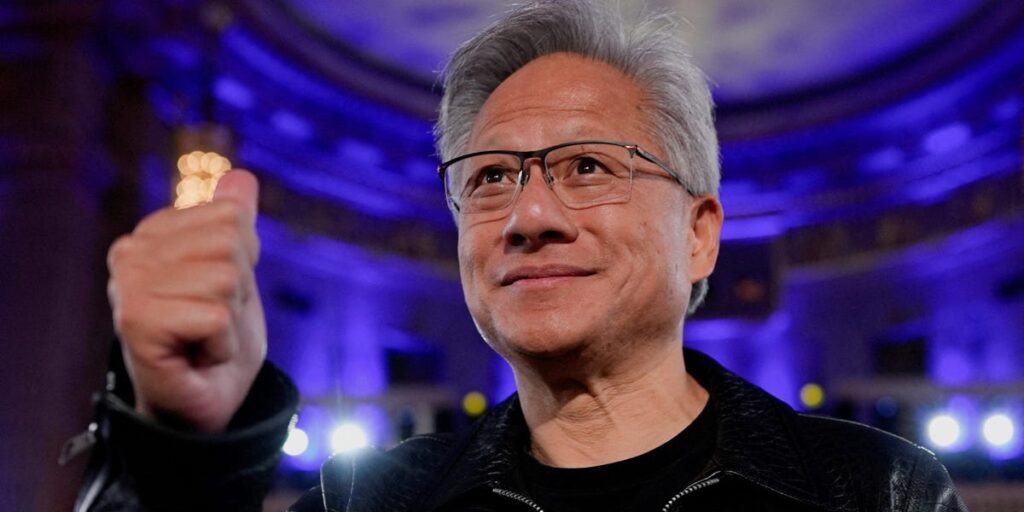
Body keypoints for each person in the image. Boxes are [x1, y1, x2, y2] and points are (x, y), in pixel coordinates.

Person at [75, 1, 966, 511]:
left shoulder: (874, 492)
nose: (529, 215)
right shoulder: (365, 502)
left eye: (588, 167)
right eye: (492, 176)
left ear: (699, 233)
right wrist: (181, 451)